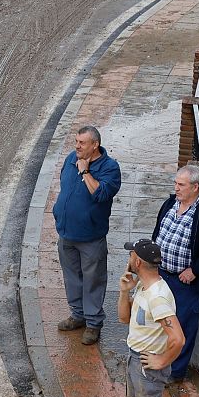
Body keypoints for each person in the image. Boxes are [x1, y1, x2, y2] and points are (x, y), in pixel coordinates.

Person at [151, 165, 199, 383]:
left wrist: (195, 270)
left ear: (195, 187)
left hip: (186, 283)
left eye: (180, 185)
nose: (176, 188)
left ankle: (175, 373)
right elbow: (158, 233)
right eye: (175, 183)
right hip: (162, 275)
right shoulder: (169, 204)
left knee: (183, 327)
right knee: (159, 323)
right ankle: (157, 364)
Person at [52, 125, 122, 344]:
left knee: (93, 280)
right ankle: (78, 315)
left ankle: (93, 323)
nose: (77, 146)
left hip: (91, 237)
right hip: (66, 233)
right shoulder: (71, 158)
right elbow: (65, 188)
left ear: (95, 145)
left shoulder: (110, 168)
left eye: (82, 143)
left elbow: (100, 194)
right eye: (76, 142)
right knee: (72, 277)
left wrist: (85, 171)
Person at [118, 239, 184, 397]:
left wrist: (161, 361)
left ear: (136, 261)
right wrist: (124, 292)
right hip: (134, 360)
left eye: (131, 255)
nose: (129, 259)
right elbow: (124, 318)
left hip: (147, 367)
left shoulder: (157, 297)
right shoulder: (142, 287)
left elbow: (178, 338)